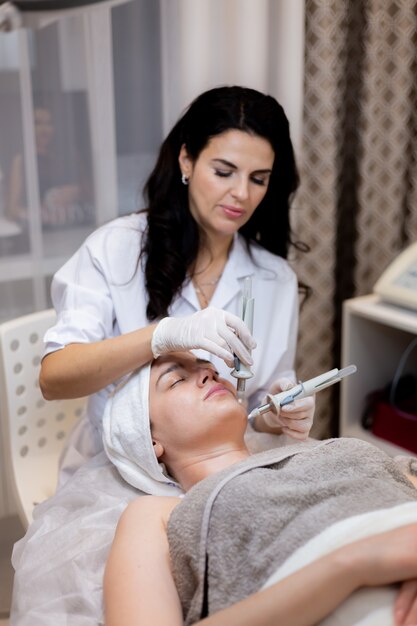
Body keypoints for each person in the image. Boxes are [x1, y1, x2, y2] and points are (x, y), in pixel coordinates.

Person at [38, 85, 315, 482]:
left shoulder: (275, 278)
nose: (241, 193)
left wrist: (281, 411)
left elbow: (256, 400)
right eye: (223, 172)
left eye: (259, 179)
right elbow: (54, 379)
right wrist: (161, 337)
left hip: (222, 471)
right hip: (120, 472)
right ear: (186, 160)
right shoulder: (117, 248)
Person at [103, 352, 417, 626]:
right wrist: (358, 563)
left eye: (208, 367)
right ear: (149, 439)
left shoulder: (323, 450)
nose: (208, 374)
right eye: (177, 380)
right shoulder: (157, 513)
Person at [7, 103, 92, 230]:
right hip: (45, 232)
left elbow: (92, 193)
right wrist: (39, 212)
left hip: (78, 227)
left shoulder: (70, 155)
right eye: (38, 123)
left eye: (49, 123)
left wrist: (75, 192)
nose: (44, 129)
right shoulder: (22, 160)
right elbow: (12, 210)